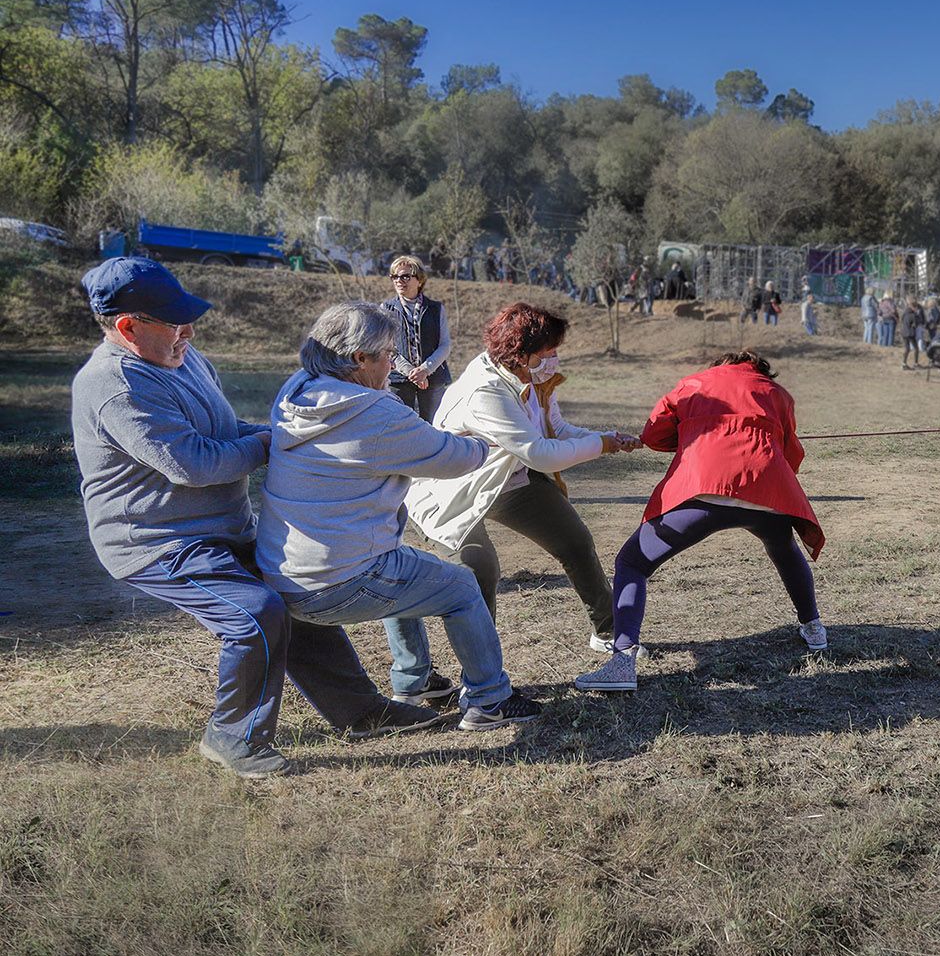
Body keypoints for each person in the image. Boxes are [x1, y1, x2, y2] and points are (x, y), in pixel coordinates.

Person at [71, 260, 439, 780]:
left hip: (218, 529)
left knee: (287, 594)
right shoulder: (116, 386)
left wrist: (282, 435)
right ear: (129, 327)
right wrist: (277, 443)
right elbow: (194, 463)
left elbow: (225, 430)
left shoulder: (183, 358)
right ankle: (232, 736)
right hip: (156, 543)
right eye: (175, 323)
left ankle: (361, 711)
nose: (189, 332)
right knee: (254, 614)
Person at [255, 301, 546, 731]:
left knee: (402, 566)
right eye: (389, 354)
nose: (393, 364)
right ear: (359, 358)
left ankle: (413, 681)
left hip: (285, 572)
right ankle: (490, 700)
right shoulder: (372, 413)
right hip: (336, 581)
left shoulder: (297, 390)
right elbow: (451, 457)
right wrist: (484, 442)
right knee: (462, 587)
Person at [575, 350, 828, 692]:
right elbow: (791, 454)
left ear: (720, 366)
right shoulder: (777, 394)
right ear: (759, 370)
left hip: (704, 490)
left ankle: (622, 662)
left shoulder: (693, 384)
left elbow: (655, 435)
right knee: (784, 549)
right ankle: (814, 629)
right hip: (765, 490)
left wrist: (693, 434)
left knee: (632, 562)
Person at [404, 303, 640, 656]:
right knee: (479, 568)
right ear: (520, 354)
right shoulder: (486, 392)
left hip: (507, 477)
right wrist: (601, 445)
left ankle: (608, 631)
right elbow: (540, 453)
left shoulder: (531, 379)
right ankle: (483, 670)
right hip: (453, 489)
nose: (554, 360)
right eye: (548, 353)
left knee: (574, 540)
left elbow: (554, 429)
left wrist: (606, 438)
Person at [381, 255, 451, 423]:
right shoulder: (386, 309)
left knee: (435, 425)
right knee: (401, 426)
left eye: (405, 276)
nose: (399, 281)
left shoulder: (435, 309)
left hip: (433, 380)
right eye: (394, 276)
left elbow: (445, 345)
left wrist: (425, 370)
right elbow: (385, 346)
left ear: (419, 280)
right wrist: (411, 372)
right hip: (399, 380)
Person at [899, 299, 923, 368]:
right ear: (914, 307)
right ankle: (916, 364)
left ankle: (904, 364)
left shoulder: (905, 313)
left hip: (904, 332)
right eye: (916, 308)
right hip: (910, 333)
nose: (917, 309)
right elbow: (917, 323)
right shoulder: (913, 315)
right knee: (916, 348)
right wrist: (917, 315)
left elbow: (902, 320)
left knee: (907, 349)